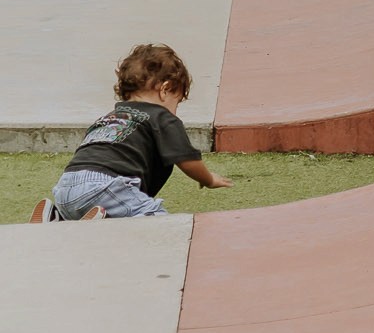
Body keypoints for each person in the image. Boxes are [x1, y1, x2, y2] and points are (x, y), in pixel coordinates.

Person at [33, 43, 229, 220]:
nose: (175, 109)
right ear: (165, 89)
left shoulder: (110, 117)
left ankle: (55, 218)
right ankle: (94, 222)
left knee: (113, 214)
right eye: (176, 101)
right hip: (105, 186)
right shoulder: (162, 117)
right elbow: (187, 159)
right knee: (157, 221)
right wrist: (208, 178)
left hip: (66, 186)